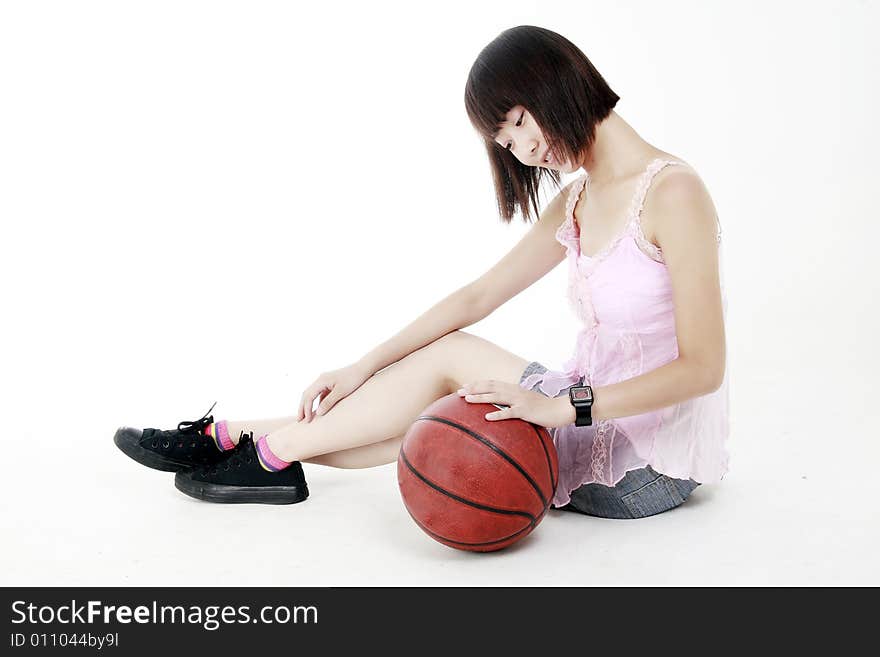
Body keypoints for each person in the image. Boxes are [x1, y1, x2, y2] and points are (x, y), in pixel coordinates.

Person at [114, 25, 729, 519]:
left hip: (646, 465)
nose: (522, 148)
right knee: (427, 403)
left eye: (517, 119)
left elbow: (704, 369)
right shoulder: (578, 199)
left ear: (557, 81)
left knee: (444, 381)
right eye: (505, 139)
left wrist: (565, 408)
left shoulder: (672, 193)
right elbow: (479, 295)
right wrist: (363, 367)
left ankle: (262, 451)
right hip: (584, 411)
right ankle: (239, 442)